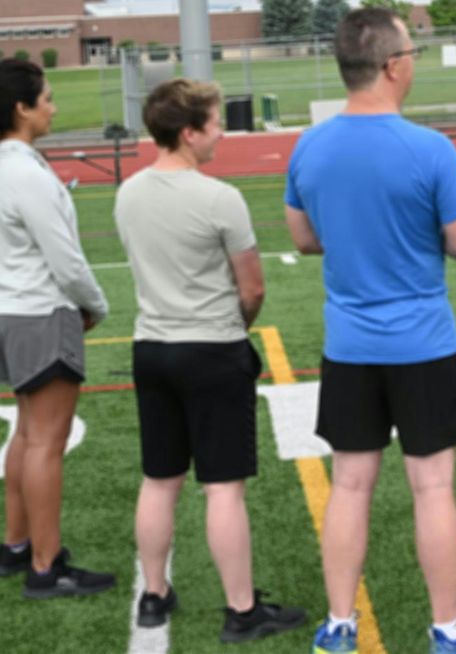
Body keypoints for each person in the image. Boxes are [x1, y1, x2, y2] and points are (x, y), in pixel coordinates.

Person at [285, 8, 456, 654]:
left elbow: (303, 239)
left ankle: (338, 625)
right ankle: (447, 630)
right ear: (391, 65)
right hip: (421, 345)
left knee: (349, 486)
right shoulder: (427, 148)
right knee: (432, 486)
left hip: (349, 346)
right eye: (411, 52)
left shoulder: (311, 145)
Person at [114, 78, 305, 642]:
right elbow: (252, 290)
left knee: (159, 480)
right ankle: (241, 611)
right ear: (189, 131)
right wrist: (228, 332)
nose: (222, 131)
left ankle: (153, 594)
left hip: (151, 348)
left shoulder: (128, 192)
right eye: (215, 123)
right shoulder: (220, 198)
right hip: (212, 350)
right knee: (222, 488)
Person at [0, 59, 115, 598]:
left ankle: (17, 545)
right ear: (22, 108)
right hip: (38, 311)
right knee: (46, 441)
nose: (54, 107)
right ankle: (47, 566)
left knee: (28, 433)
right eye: (46, 98)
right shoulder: (21, 170)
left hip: (4, 310)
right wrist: (96, 306)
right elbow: (64, 259)